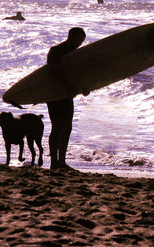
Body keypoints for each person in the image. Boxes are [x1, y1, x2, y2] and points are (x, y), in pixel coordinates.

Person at [47, 27, 86, 169]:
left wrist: (84, 87)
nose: (79, 44)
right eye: (78, 40)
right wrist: (68, 86)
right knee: (57, 127)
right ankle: (53, 163)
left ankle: (61, 162)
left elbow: (77, 74)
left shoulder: (76, 53)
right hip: (54, 93)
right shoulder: (56, 51)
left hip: (68, 95)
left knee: (67, 127)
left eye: (81, 42)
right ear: (70, 37)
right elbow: (53, 72)